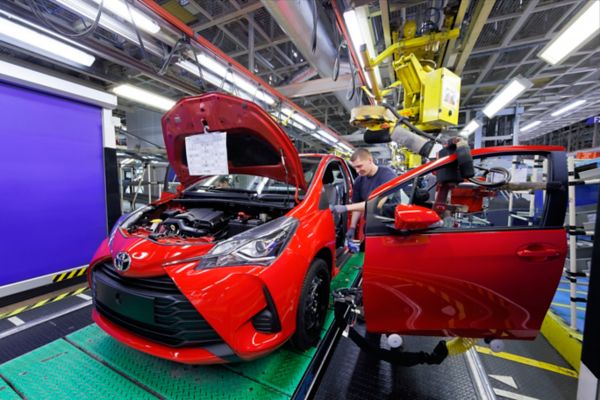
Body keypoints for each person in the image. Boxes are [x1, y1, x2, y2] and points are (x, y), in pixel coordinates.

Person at [331, 148, 396, 239]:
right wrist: (352, 227)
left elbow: (378, 203)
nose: (357, 171)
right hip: (371, 226)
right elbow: (357, 206)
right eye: (355, 167)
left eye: (359, 166)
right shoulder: (359, 181)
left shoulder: (387, 175)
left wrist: (346, 208)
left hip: (389, 226)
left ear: (370, 160)